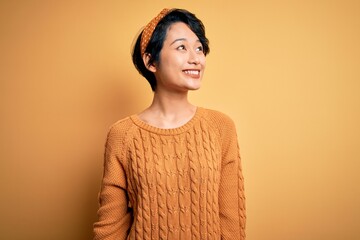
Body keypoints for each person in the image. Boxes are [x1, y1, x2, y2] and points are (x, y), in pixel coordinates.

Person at [93, 8, 246, 240]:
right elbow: (110, 228)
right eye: (181, 47)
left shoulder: (221, 127)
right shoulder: (122, 135)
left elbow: (231, 222)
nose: (196, 58)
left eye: (199, 48)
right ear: (150, 61)